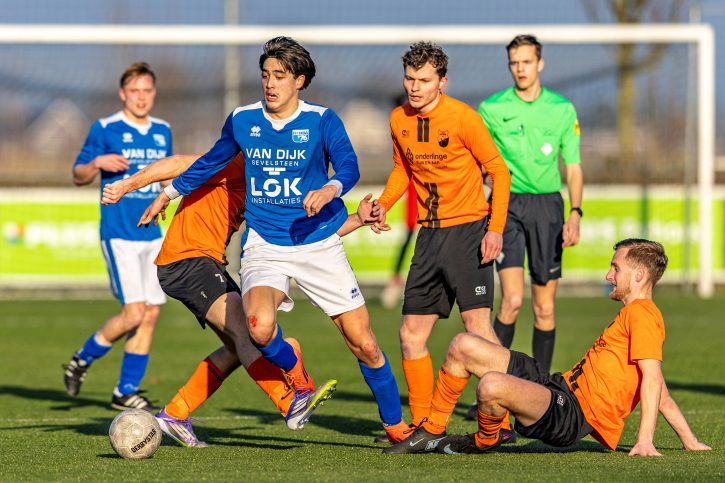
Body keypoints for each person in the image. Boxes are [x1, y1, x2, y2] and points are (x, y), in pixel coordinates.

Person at [138, 36, 410, 443]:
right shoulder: (242, 120)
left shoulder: (321, 120)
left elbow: (349, 166)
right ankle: (297, 376)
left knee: (365, 344)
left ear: (300, 80)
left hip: (318, 244)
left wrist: (331, 189)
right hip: (265, 245)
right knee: (258, 328)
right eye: (265, 75)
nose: (270, 83)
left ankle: (396, 427)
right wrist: (168, 193)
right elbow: (210, 162)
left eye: (280, 76)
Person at [102, 154, 378, 445]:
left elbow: (310, 234)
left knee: (238, 347)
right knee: (247, 335)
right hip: (187, 261)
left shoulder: (271, 186)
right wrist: (127, 186)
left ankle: (175, 414)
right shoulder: (239, 161)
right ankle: (289, 402)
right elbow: (178, 164)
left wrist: (359, 219)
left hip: (206, 264)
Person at [384, 239, 712, 456]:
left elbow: (651, 379)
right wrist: (689, 440)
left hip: (570, 415)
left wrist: (645, 440)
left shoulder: (643, 314)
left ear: (639, 275)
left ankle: (485, 440)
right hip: (557, 386)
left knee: (491, 386)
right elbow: (658, 388)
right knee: (463, 344)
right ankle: (432, 431)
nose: (608, 275)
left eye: (616, 268)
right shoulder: (634, 314)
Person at [371, 41, 511, 435]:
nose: (414, 87)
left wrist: (495, 228)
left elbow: (499, 172)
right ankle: (423, 427)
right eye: (409, 79)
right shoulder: (398, 118)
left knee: (477, 329)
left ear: (442, 82)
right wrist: (383, 204)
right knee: (410, 335)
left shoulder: (464, 118)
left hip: (469, 232)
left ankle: (503, 418)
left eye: (424, 80)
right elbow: (402, 170)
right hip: (429, 237)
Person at [63, 62, 171, 411]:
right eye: (134, 91)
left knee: (150, 314)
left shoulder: (163, 130)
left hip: (152, 234)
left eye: (147, 90)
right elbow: (78, 174)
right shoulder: (105, 128)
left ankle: (125, 391)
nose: (141, 97)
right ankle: (82, 358)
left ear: (154, 93)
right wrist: (97, 163)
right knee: (134, 313)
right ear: (123, 93)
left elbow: (166, 175)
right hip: (119, 234)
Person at [477, 34, 584, 376]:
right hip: (506, 206)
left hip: (548, 208)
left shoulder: (562, 109)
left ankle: (541, 388)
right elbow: (479, 164)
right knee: (511, 301)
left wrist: (575, 213)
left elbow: (573, 167)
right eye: (514, 63)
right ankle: (493, 385)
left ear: (540, 63)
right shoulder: (491, 109)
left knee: (544, 308)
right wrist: (485, 186)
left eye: (526, 62)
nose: (520, 68)